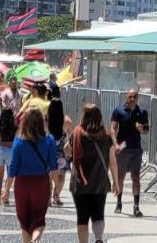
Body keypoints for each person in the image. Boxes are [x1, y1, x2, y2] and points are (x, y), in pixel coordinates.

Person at [8, 107, 58, 243]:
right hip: (41, 182)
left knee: (24, 221)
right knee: (39, 219)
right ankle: (36, 240)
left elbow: (12, 168)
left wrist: (6, 189)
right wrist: (56, 188)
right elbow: (54, 167)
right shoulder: (49, 140)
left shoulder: (18, 141)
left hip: (22, 184)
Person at [72, 103, 114, 243]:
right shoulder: (106, 136)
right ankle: (98, 239)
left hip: (81, 182)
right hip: (99, 182)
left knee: (82, 217)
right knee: (98, 214)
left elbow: (67, 149)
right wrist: (116, 182)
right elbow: (112, 161)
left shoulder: (77, 133)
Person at [110, 87, 150, 216]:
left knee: (135, 177)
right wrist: (115, 144)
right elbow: (112, 128)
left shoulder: (142, 112)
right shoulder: (119, 111)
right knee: (120, 176)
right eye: (130, 96)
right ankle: (119, 202)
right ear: (126, 97)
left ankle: (136, 206)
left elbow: (147, 129)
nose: (132, 99)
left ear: (138, 98)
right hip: (122, 149)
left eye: (135, 97)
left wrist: (142, 128)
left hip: (136, 149)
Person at [47, 86, 67, 206]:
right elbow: (71, 134)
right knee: (61, 175)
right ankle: (56, 195)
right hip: (61, 152)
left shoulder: (46, 121)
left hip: (49, 150)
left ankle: (48, 199)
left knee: (49, 174)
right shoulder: (67, 121)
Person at [0, 105, 18, 206]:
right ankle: (6, 197)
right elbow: (17, 139)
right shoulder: (15, 126)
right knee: (10, 175)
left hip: (1, 150)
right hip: (11, 150)